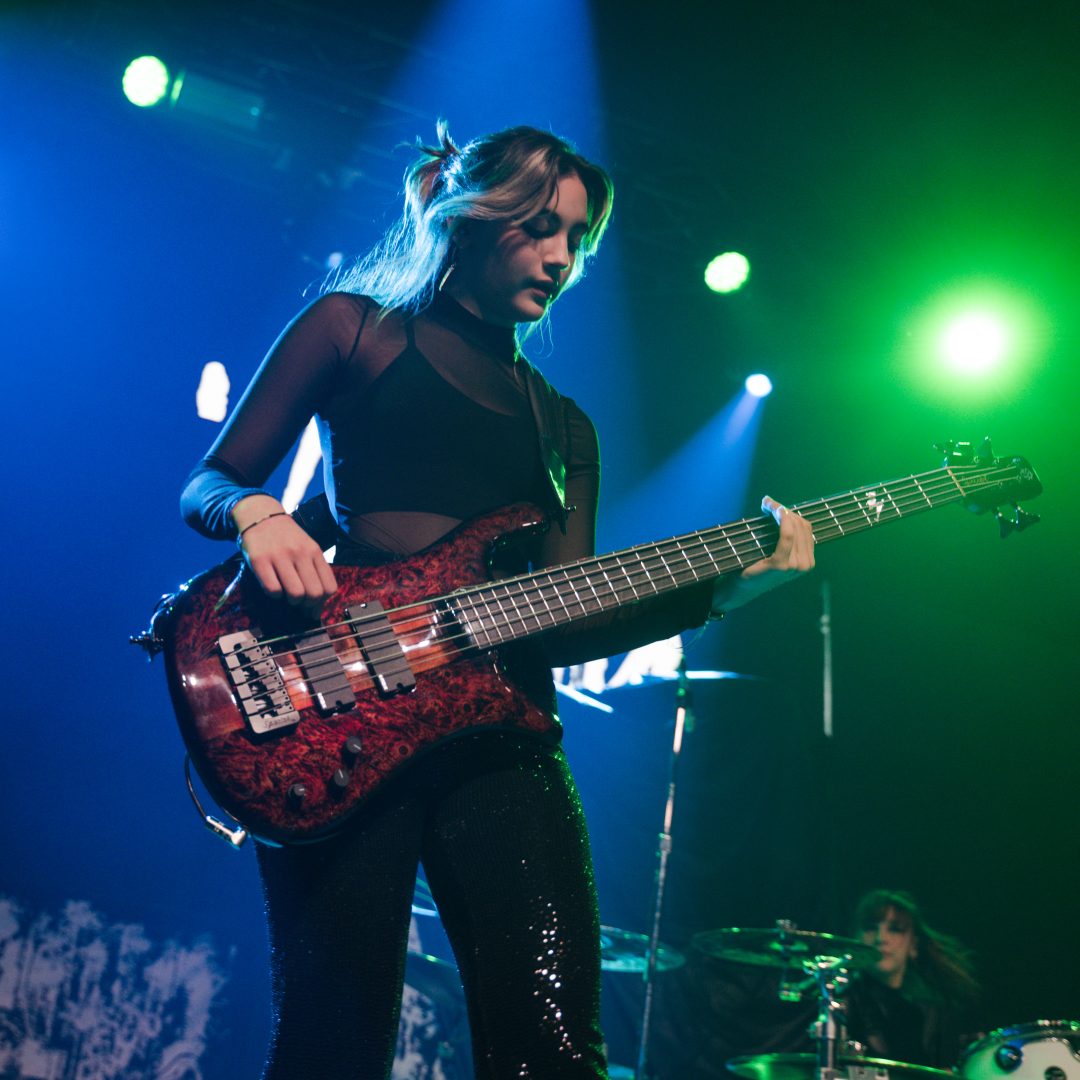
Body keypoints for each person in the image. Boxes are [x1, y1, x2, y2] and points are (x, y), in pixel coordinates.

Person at [180, 121, 815, 1080]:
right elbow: (211, 479)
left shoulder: (564, 425)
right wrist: (259, 514)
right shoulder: (354, 329)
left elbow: (570, 615)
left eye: (578, 239)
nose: (562, 258)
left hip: (503, 738)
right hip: (341, 714)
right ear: (473, 218)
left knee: (556, 1051)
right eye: (540, 227)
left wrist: (730, 588)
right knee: (332, 1044)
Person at [847, 889, 980, 1069]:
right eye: (871, 927)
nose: (881, 938)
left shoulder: (925, 1013)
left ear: (913, 945)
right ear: (855, 937)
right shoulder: (840, 1000)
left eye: (895, 929)